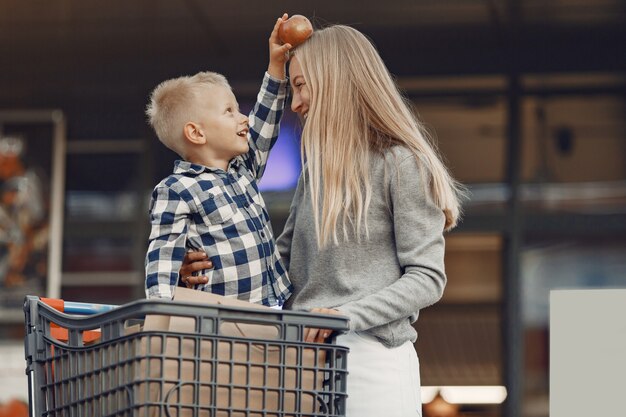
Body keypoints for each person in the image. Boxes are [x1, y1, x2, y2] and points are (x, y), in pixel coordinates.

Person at [180, 24, 464, 417]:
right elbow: (277, 265)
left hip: (372, 361)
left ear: (334, 81)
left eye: (301, 86)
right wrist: (209, 270)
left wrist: (345, 315)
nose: (294, 103)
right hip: (304, 365)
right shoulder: (316, 172)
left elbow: (428, 278)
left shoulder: (400, 164)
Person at [144, 15, 294, 307]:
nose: (243, 118)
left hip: (273, 309)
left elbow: (264, 121)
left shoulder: (243, 170)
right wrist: (159, 319)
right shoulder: (176, 190)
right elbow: (162, 259)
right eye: (229, 111)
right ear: (197, 133)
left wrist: (277, 66)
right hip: (221, 322)